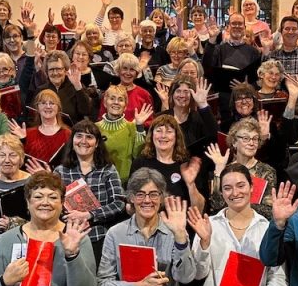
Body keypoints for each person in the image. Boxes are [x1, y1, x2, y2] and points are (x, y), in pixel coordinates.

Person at [188, 164, 287, 286]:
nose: (235, 193)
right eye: (227, 188)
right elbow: (198, 273)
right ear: (221, 192)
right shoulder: (208, 225)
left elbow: (279, 277)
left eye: (241, 185)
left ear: (252, 187)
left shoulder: (267, 228)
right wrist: (204, 242)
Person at [56, 120, 127, 263]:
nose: (83, 141)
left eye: (89, 137)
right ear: (73, 141)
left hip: (100, 238)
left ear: (97, 143)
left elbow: (119, 204)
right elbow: (54, 205)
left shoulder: (107, 170)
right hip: (69, 237)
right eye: (79, 136)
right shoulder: (60, 172)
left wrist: (89, 215)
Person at [130, 114, 206, 210]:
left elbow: (199, 209)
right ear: (152, 135)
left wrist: (191, 184)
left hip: (180, 222)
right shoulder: (140, 163)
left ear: (176, 137)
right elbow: (130, 204)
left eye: (169, 131)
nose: (163, 136)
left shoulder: (188, 166)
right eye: (159, 131)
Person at [205, 118, 277, 219]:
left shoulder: (267, 171)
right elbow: (216, 206)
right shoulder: (226, 170)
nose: (251, 143)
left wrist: (237, 203)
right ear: (234, 142)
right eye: (246, 138)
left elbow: (269, 211)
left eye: (255, 139)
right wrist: (219, 172)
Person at [96, 84, 150, 184]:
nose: (116, 102)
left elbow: (139, 155)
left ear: (125, 106)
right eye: (112, 98)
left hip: (125, 183)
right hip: (100, 182)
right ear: (105, 103)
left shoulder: (132, 127)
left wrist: (139, 126)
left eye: (120, 99)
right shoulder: (95, 128)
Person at [204, 12, 262, 95]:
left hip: (245, 98)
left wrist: (247, 87)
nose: (237, 26)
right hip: (223, 98)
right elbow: (206, 69)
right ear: (228, 27)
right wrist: (212, 39)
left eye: (240, 24)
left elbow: (258, 80)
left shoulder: (253, 52)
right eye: (234, 23)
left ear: (244, 28)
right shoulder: (219, 49)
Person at [9, 88, 71, 165]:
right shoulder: (28, 133)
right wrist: (22, 140)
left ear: (58, 108)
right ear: (37, 107)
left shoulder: (67, 134)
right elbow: (19, 161)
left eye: (52, 103)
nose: (48, 106)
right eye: (43, 103)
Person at [38, 50, 95, 123]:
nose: (55, 73)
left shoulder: (76, 87)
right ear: (47, 72)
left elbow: (86, 111)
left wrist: (78, 86)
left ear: (65, 70)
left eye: (58, 69)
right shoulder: (41, 90)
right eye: (51, 69)